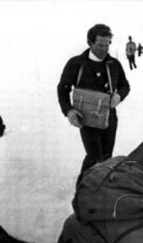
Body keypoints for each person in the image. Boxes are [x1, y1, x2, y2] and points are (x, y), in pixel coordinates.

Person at [57, 24, 130, 184]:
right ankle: (82, 192)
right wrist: (69, 111)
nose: (104, 49)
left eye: (107, 44)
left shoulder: (114, 64)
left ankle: (100, 191)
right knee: (94, 157)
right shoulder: (76, 63)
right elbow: (63, 88)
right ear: (89, 43)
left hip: (109, 118)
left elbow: (125, 85)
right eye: (100, 45)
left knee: (106, 157)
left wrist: (119, 95)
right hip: (86, 118)